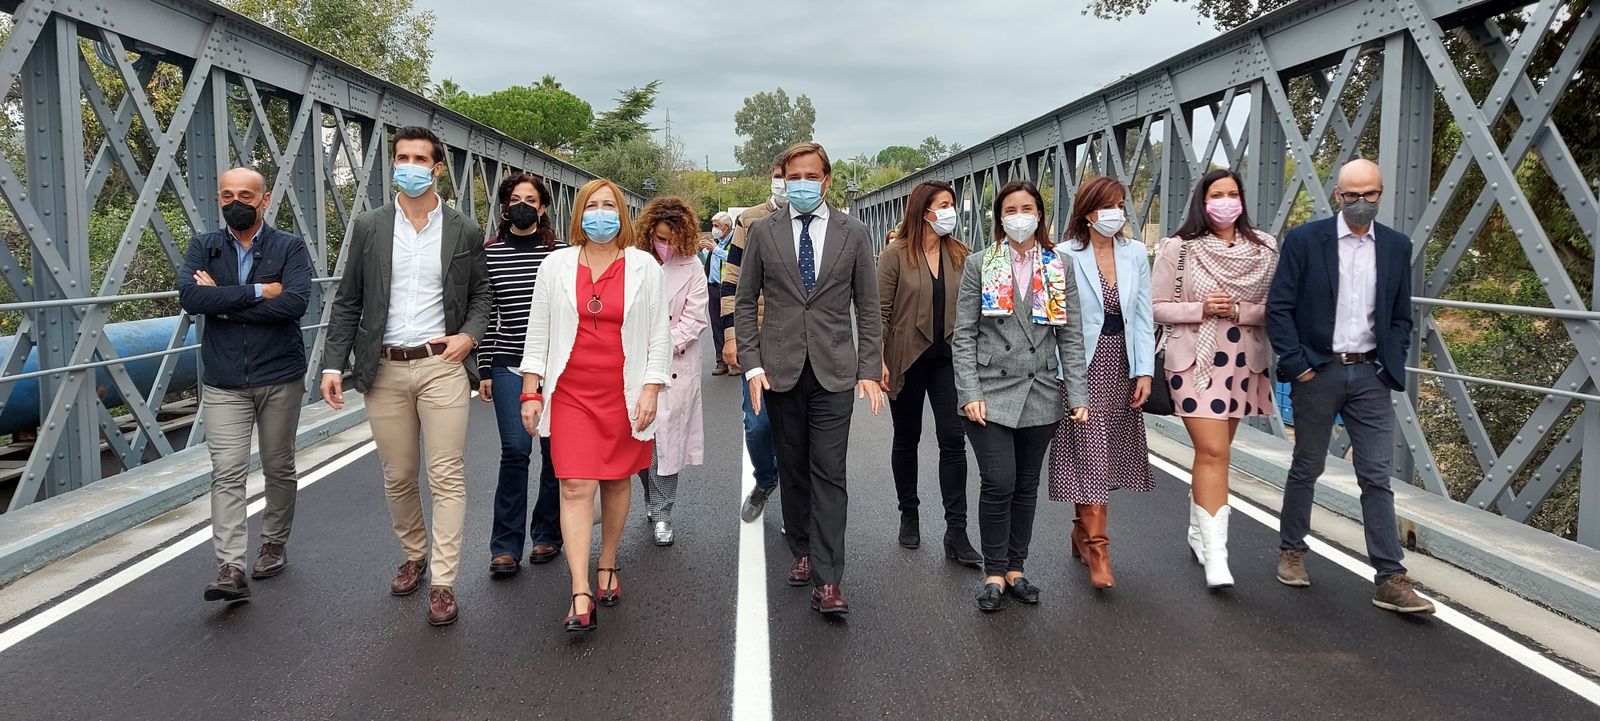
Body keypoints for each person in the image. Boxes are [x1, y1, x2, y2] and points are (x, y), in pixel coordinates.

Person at [321, 127, 491, 626]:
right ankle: (414, 554)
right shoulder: (371, 226)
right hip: (385, 367)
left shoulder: (463, 229)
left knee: (446, 474)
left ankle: (443, 581)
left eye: (420, 158)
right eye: (402, 157)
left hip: (441, 365)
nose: (409, 166)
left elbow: (482, 295)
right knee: (398, 475)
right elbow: (349, 299)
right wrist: (335, 362)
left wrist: (469, 337)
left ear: (437, 167)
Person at [1267, 158, 1434, 614]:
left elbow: (1401, 315)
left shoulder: (1397, 246)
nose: (1361, 204)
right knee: (1308, 464)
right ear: (1337, 195)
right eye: (1351, 195)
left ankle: (1390, 577)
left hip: (1370, 375)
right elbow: (1278, 307)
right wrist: (1298, 366)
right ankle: (1292, 550)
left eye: (1370, 195)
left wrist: (1388, 367)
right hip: (1317, 371)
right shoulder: (1305, 240)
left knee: (1376, 476)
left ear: (1381, 194)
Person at [735, 141, 884, 616]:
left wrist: (869, 370)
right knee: (794, 468)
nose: (800, 184)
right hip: (779, 370)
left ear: (826, 179)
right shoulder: (763, 231)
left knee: (829, 472)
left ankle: (829, 578)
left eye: (809, 176)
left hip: (835, 370)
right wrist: (753, 363)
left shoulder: (853, 232)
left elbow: (868, 305)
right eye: (792, 176)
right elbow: (744, 301)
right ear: (784, 179)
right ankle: (800, 547)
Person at [519, 179, 670, 632]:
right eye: (592, 205)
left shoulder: (645, 266)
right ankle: (580, 589)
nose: (599, 213)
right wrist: (531, 389)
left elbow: (659, 335)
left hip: (623, 392)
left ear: (621, 214)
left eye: (608, 206)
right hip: (571, 394)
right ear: (578, 213)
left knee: (617, 481)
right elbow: (538, 331)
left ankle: (608, 562)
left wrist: (650, 389)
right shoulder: (555, 265)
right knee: (575, 485)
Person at [177, 167, 313, 602]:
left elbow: (294, 304)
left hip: (280, 375)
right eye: (228, 195)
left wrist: (224, 302)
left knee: (278, 466)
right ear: (219, 198)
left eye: (246, 195)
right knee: (228, 472)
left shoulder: (289, 246)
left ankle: (273, 543)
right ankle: (230, 566)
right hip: (224, 380)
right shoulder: (204, 246)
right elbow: (192, 299)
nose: (236, 202)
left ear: (264, 199)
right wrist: (258, 292)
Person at [953, 180, 1089, 613]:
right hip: (989, 391)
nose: (1018, 216)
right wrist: (968, 391)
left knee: (1026, 484)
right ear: (999, 217)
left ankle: (1016, 566)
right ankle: (994, 570)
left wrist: (1077, 394)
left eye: (1026, 207)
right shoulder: (981, 263)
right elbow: (964, 335)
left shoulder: (1058, 264)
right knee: (999, 480)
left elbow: (1070, 335)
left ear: (1040, 214)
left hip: (1042, 390)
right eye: (1010, 209)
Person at [1152, 169, 1278, 589]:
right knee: (1212, 451)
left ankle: (1197, 533)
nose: (1225, 201)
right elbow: (1156, 306)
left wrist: (1241, 311)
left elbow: (1276, 306)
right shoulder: (1180, 248)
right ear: (1202, 202)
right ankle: (1217, 557)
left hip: (1243, 361)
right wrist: (1200, 308)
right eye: (1216, 194)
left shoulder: (1265, 248)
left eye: (1232, 194)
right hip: (1194, 363)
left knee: (1218, 453)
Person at [1048, 176, 1154, 590]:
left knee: (1103, 455)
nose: (1116, 213)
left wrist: (1143, 370)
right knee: (1089, 451)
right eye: (1107, 205)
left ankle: (1080, 528)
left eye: (1120, 205)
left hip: (1121, 363)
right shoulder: (1064, 254)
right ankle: (1098, 548)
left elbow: (1143, 316)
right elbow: (1056, 320)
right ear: (1087, 211)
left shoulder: (1136, 254)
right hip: (1080, 365)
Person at [876, 180, 980, 565]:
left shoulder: (961, 255)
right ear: (924, 212)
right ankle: (910, 514)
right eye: (945, 204)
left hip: (948, 360)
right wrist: (878, 361)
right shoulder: (895, 256)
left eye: (953, 204)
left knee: (953, 440)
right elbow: (879, 314)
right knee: (907, 437)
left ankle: (957, 532)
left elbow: (974, 311)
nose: (952, 211)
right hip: (906, 359)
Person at [477, 172, 566, 577]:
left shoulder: (562, 254)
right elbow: (488, 314)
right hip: (509, 361)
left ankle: (547, 533)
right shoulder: (489, 253)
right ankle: (505, 544)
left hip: (557, 367)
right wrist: (485, 369)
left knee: (554, 453)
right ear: (504, 205)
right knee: (515, 451)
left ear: (543, 207)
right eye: (515, 199)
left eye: (531, 199)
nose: (523, 205)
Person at [636, 197, 709, 546]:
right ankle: (650, 499)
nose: (667, 246)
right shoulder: (632, 263)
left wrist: (658, 346)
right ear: (650, 232)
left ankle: (663, 511)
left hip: (674, 364)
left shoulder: (693, 266)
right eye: (661, 238)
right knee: (639, 441)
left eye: (674, 239)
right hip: (632, 362)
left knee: (666, 442)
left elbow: (694, 319)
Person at [722, 160, 786, 523]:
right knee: (757, 423)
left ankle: (796, 506)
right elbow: (731, 281)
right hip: (756, 337)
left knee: (795, 428)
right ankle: (766, 480)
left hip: (795, 338)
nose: (786, 184)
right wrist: (731, 335)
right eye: (780, 177)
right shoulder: (750, 220)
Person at [704, 211, 734, 375]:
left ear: (726, 227)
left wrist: (716, 250)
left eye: (716, 226)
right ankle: (721, 361)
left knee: (731, 324)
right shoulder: (716, 242)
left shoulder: (735, 241)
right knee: (716, 325)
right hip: (714, 287)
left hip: (729, 288)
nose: (713, 229)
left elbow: (737, 259)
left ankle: (736, 362)